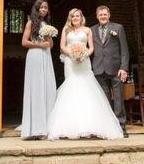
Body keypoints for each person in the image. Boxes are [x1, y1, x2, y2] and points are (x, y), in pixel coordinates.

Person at [47, 8, 123, 140]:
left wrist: (83, 55)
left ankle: (90, 125)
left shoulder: (87, 30)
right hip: (70, 63)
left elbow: (92, 47)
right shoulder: (66, 30)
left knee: (87, 89)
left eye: (77, 16)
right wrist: (72, 55)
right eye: (73, 16)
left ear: (81, 18)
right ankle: (71, 126)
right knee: (72, 89)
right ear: (70, 18)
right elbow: (62, 46)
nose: (75, 18)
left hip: (84, 62)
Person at [19, 0, 57, 139]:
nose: (43, 10)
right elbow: (24, 42)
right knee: (36, 88)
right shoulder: (30, 22)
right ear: (37, 8)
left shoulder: (47, 24)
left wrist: (49, 38)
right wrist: (39, 45)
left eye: (46, 8)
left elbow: (51, 45)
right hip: (35, 56)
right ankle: (35, 128)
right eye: (41, 7)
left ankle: (46, 126)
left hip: (46, 57)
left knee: (47, 88)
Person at [91, 5, 130, 137]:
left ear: (109, 15)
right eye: (100, 14)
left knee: (118, 99)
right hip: (99, 69)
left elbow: (124, 50)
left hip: (116, 69)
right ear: (97, 16)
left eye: (105, 14)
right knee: (104, 100)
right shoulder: (92, 30)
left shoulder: (117, 28)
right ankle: (107, 127)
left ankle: (121, 127)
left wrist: (124, 68)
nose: (103, 16)